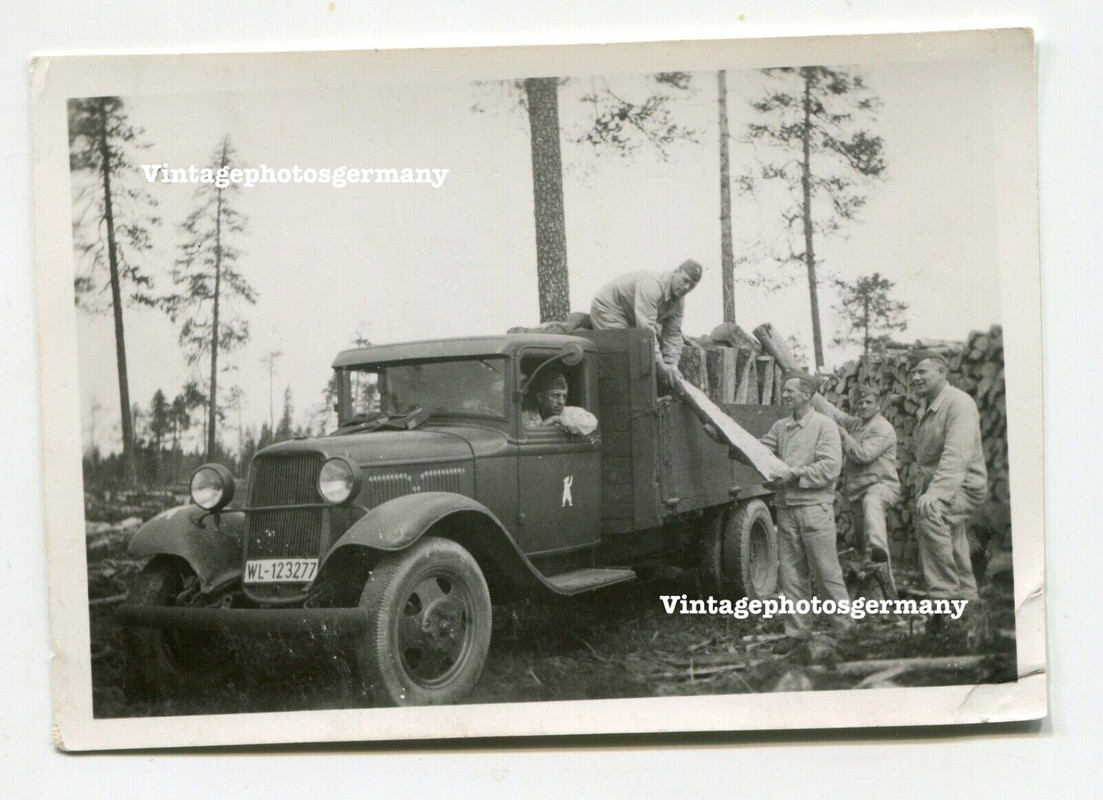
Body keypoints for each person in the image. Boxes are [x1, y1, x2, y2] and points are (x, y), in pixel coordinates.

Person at [760, 372, 851, 644]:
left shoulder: (825, 426)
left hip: (815, 510)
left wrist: (793, 474)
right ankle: (797, 633)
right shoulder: (780, 427)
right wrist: (724, 440)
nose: (784, 395)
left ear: (807, 395)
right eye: (784, 390)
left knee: (826, 573)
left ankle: (845, 632)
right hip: (786, 510)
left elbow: (830, 468)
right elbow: (759, 452)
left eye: (789, 391)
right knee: (791, 576)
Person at [909, 351, 987, 602]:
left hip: (964, 486)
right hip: (944, 484)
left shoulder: (958, 403)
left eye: (922, 372)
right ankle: (968, 601)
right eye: (913, 373)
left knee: (931, 515)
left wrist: (934, 494)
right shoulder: (928, 406)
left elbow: (956, 456)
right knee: (952, 540)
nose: (915, 378)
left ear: (942, 372)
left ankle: (945, 601)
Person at [812, 384, 901, 588]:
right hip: (857, 492)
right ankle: (876, 596)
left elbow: (863, 455)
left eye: (869, 402)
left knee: (873, 507)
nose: (864, 406)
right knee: (863, 551)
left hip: (881, 486)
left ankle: (884, 569)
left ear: (878, 405)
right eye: (860, 402)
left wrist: (842, 435)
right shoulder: (857, 424)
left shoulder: (882, 427)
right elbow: (832, 412)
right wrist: (810, 389)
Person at [589, 259, 703, 386]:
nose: (686, 287)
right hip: (609, 308)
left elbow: (673, 334)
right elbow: (646, 329)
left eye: (692, 285)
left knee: (646, 353)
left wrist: (672, 367)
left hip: (631, 314)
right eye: (685, 280)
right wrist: (660, 363)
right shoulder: (652, 286)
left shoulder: (679, 302)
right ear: (676, 272)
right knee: (624, 353)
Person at [522, 370, 598, 436]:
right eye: (556, 395)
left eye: (564, 396)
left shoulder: (570, 413)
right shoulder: (526, 417)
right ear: (540, 397)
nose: (561, 402)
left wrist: (558, 419)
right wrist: (547, 422)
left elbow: (592, 423)